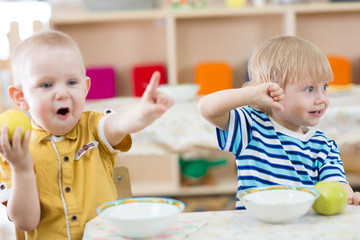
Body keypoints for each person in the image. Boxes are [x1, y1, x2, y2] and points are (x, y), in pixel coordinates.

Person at [0, 30, 173, 239]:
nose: (62, 93)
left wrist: (142, 112)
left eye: (72, 82)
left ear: (85, 88)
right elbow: (26, 222)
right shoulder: (15, 150)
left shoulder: (93, 127)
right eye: (46, 85)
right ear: (21, 97)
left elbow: (120, 122)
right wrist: (22, 168)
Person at [197, 35, 360, 210]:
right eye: (310, 89)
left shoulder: (324, 145)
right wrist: (252, 95)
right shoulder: (251, 127)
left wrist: (349, 197)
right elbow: (207, 108)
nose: (322, 98)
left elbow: (336, 183)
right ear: (273, 91)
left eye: (325, 87)